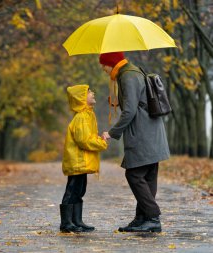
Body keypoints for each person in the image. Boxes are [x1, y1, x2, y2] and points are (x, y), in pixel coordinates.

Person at [99, 52, 170, 233]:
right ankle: (142, 218)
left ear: (111, 63)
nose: (103, 70)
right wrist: (118, 103)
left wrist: (112, 133)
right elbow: (138, 103)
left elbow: (130, 112)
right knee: (148, 176)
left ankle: (152, 217)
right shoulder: (134, 71)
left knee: (134, 175)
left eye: (104, 65)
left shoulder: (127, 76)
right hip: (152, 131)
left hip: (143, 134)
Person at [60, 84, 108, 233]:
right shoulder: (81, 117)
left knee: (79, 191)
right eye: (89, 92)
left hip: (82, 162)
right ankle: (66, 223)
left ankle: (77, 221)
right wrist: (101, 142)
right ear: (81, 98)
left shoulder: (88, 114)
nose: (93, 93)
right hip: (77, 161)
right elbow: (84, 140)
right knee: (72, 190)